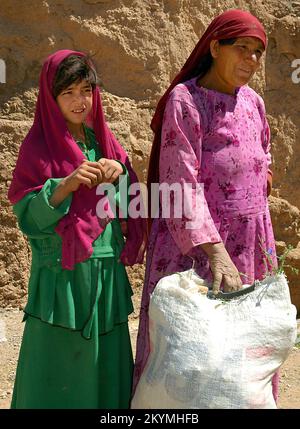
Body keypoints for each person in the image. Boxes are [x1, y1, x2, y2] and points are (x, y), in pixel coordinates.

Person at [133, 9, 279, 404]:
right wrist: (215, 253)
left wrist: (257, 180)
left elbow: (263, 153)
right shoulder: (186, 101)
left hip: (248, 244)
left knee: (240, 359)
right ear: (215, 47)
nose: (250, 60)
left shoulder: (254, 102)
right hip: (196, 251)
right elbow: (179, 182)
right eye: (242, 49)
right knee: (189, 356)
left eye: (257, 53)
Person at [8, 50, 146, 409]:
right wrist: (64, 185)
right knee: (58, 370)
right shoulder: (37, 148)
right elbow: (29, 219)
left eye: (86, 90)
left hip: (106, 276)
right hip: (61, 281)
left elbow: (129, 206)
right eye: (67, 92)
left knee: (104, 370)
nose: (79, 101)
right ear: (51, 97)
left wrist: (118, 174)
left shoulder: (105, 143)